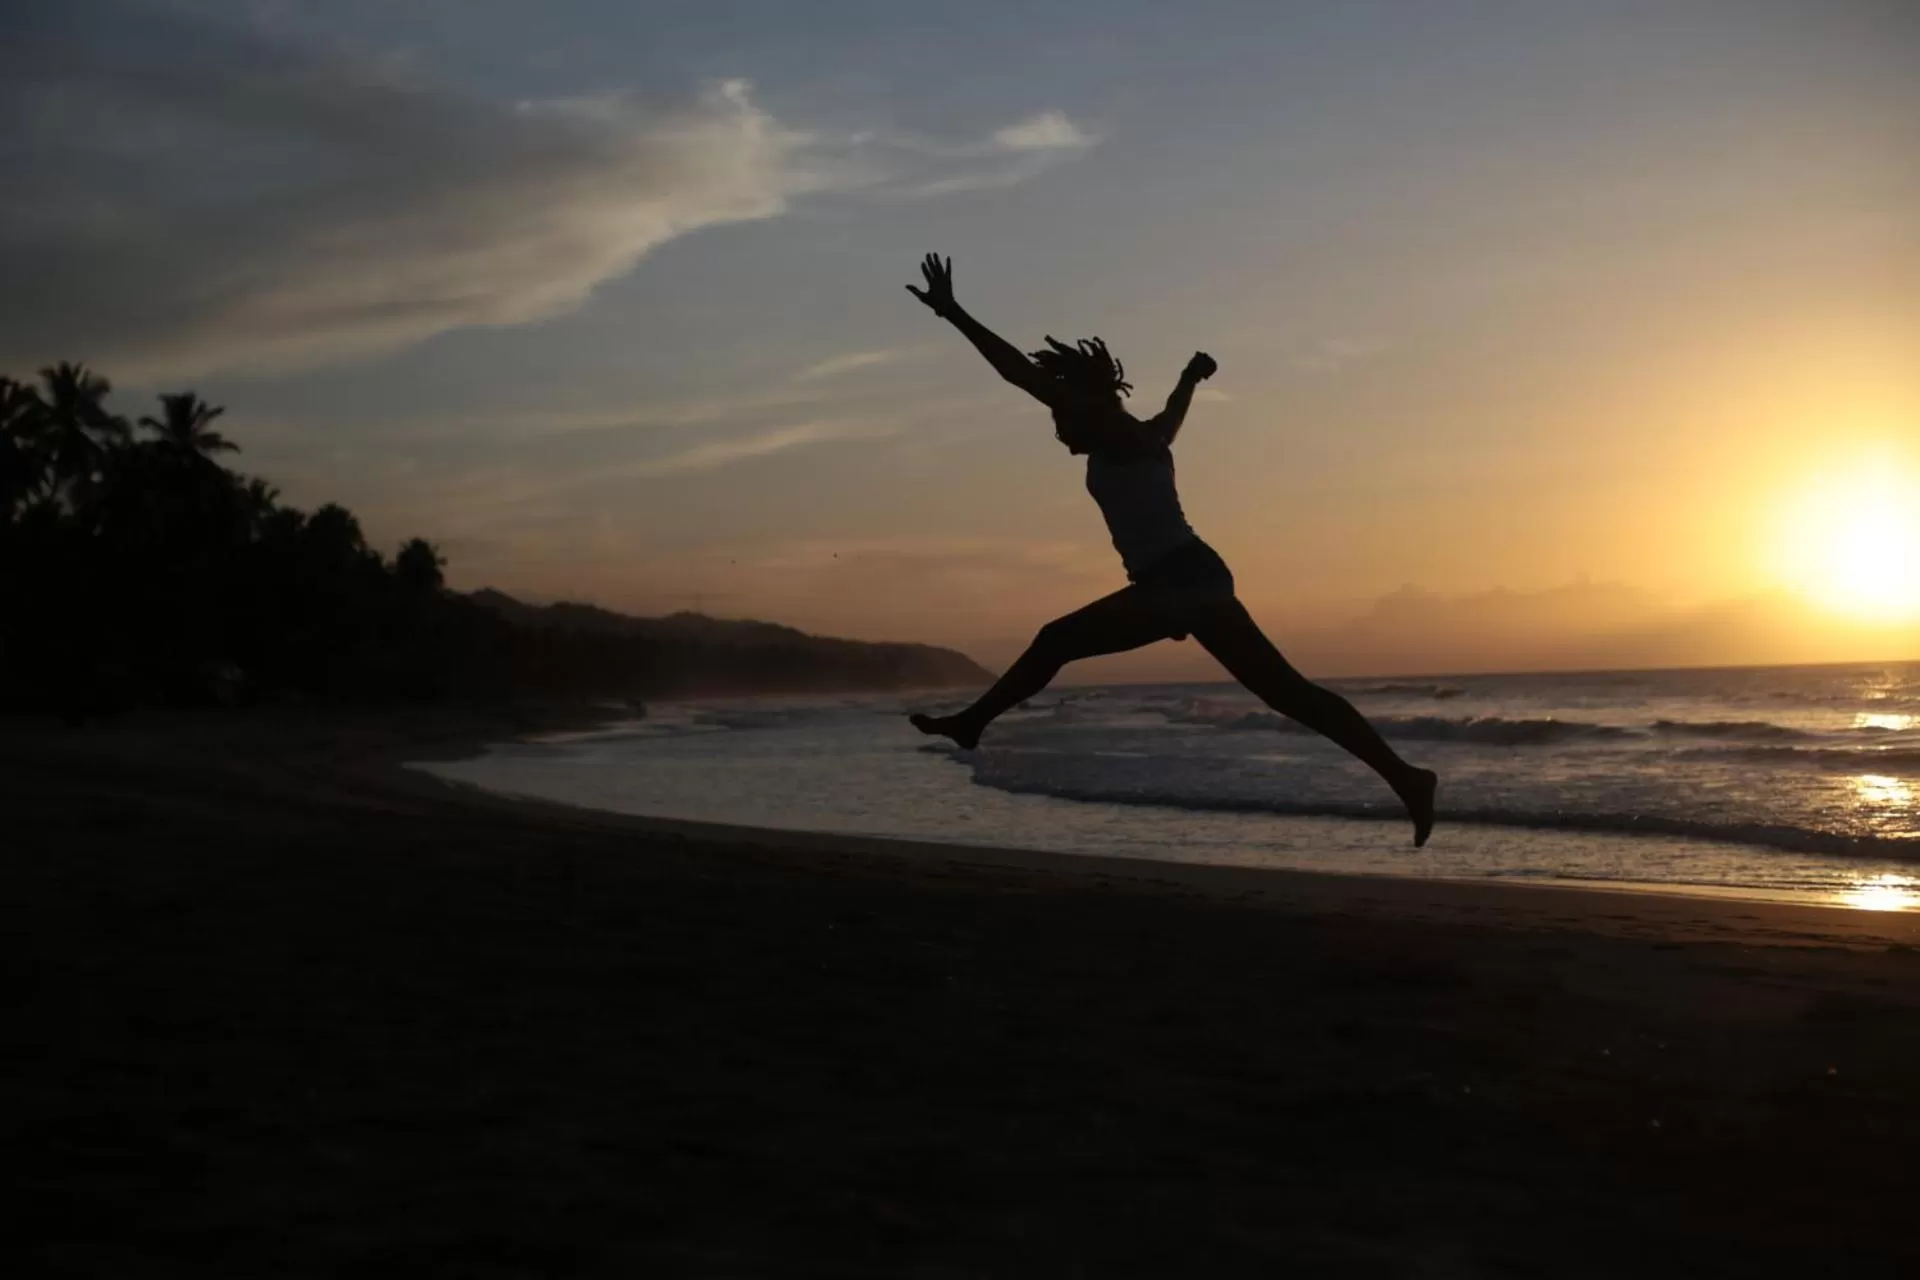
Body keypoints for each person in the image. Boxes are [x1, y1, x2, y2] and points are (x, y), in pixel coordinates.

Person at [903, 253, 1438, 846]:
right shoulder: (1143, 436)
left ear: (1083, 401)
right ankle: (1408, 779)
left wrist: (954, 312)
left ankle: (973, 723)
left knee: (1057, 640)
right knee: (1291, 695)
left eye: (1061, 412)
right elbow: (1173, 416)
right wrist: (1189, 377)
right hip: (1194, 578)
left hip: (1180, 579)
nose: (1056, 425)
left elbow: (1018, 374)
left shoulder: (1113, 430)